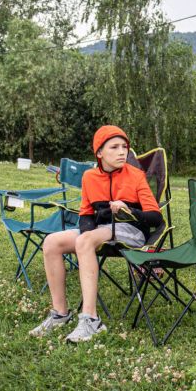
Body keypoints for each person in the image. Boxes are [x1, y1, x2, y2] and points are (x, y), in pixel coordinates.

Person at [29, 125, 163, 343]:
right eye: (115, 147)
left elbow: (156, 218)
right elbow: (86, 214)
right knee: (52, 242)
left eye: (124, 147)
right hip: (101, 230)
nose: (123, 152)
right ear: (99, 153)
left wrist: (130, 211)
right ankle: (60, 313)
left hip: (131, 231)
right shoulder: (90, 177)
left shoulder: (136, 176)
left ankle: (91, 320)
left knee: (87, 239)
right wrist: (87, 237)